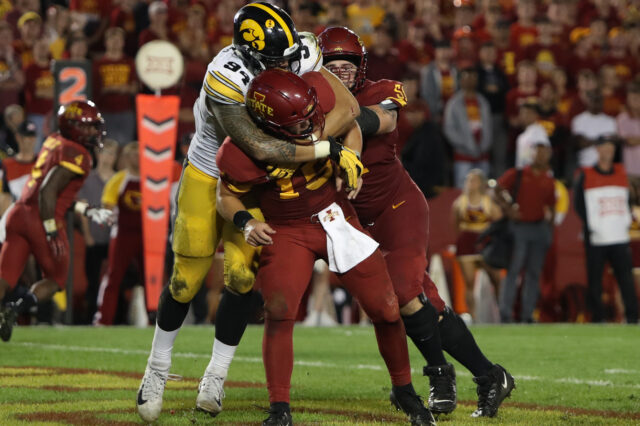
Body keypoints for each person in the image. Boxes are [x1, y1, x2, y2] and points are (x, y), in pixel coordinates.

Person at [136, 3, 364, 422]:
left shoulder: (305, 49)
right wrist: (324, 147)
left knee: (242, 278)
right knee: (186, 281)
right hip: (214, 170)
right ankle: (157, 369)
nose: (285, 64)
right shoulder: (226, 75)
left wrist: (338, 147)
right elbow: (256, 147)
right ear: (248, 53)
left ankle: (216, 375)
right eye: (273, 60)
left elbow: (347, 108)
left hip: (266, 179)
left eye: (288, 54)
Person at [216, 68, 434, 426]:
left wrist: (352, 157)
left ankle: (405, 389)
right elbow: (226, 195)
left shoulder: (315, 100)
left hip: (336, 215)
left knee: (387, 308)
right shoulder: (240, 149)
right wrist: (246, 222)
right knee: (279, 309)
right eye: (297, 123)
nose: (308, 127)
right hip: (287, 229)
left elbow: (350, 122)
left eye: (309, 116)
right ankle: (279, 408)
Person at [320, 26, 515, 418]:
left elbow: (383, 122)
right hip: (357, 220)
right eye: (331, 65)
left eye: (347, 65)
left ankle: (439, 374)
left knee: (405, 292)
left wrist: (321, 125)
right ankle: (490, 375)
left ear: (361, 67)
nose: (340, 72)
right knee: (421, 305)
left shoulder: (382, 90)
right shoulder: (312, 103)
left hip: (398, 207)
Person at [0, 100, 113, 342]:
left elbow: (59, 194)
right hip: (42, 217)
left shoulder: (54, 140)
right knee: (56, 279)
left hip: (18, 212)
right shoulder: (79, 153)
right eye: (90, 127)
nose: (94, 132)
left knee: (5, 276)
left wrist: (87, 210)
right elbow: (48, 192)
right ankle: (15, 309)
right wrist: (50, 230)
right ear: (74, 128)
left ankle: (9, 307)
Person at [573, 136, 638, 324]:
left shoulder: (621, 172)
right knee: (595, 281)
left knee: (626, 280)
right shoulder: (585, 175)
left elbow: (627, 199)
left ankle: (633, 318)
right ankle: (597, 319)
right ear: (598, 150)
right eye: (605, 148)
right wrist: (592, 226)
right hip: (596, 238)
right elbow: (578, 205)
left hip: (619, 236)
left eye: (611, 148)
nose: (608, 151)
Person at [495, 143, 556, 323]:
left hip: (539, 227)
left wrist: (549, 230)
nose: (541, 157)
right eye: (538, 153)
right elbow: (497, 189)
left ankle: (527, 315)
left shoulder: (548, 179)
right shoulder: (518, 173)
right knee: (513, 271)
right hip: (519, 227)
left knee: (533, 273)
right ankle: (506, 314)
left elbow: (551, 205)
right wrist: (508, 208)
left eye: (545, 154)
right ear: (531, 155)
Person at [94, 142, 143, 326]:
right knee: (113, 276)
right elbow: (106, 208)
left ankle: (154, 318)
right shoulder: (118, 180)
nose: (136, 159)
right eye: (132, 155)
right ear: (126, 158)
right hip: (123, 233)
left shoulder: (152, 179)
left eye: (139, 155)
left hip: (147, 235)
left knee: (151, 277)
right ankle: (103, 319)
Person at [451, 169, 502, 319]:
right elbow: (455, 225)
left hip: (485, 244)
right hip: (466, 244)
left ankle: (501, 314)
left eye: (473, 180)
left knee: (496, 279)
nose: (469, 183)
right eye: (468, 180)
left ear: (481, 183)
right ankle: (472, 316)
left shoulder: (488, 202)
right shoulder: (460, 203)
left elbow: (499, 221)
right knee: (469, 283)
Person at [77, 138, 118, 323]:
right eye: (104, 152)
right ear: (96, 154)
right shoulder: (88, 179)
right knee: (93, 280)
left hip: (115, 238)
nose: (107, 157)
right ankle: (90, 317)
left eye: (111, 153)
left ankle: (115, 317)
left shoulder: (120, 179)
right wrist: (87, 236)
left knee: (115, 280)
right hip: (95, 235)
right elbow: (83, 209)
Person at [443, 67, 493, 189]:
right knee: (462, 192)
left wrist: (484, 146)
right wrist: (466, 146)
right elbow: (449, 129)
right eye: (466, 78)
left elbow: (489, 127)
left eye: (473, 78)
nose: (470, 81)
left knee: (482, 192)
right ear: (460, 81)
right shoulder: (453, 103)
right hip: (463, 157)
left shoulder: (483, 102)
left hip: (483, 155)